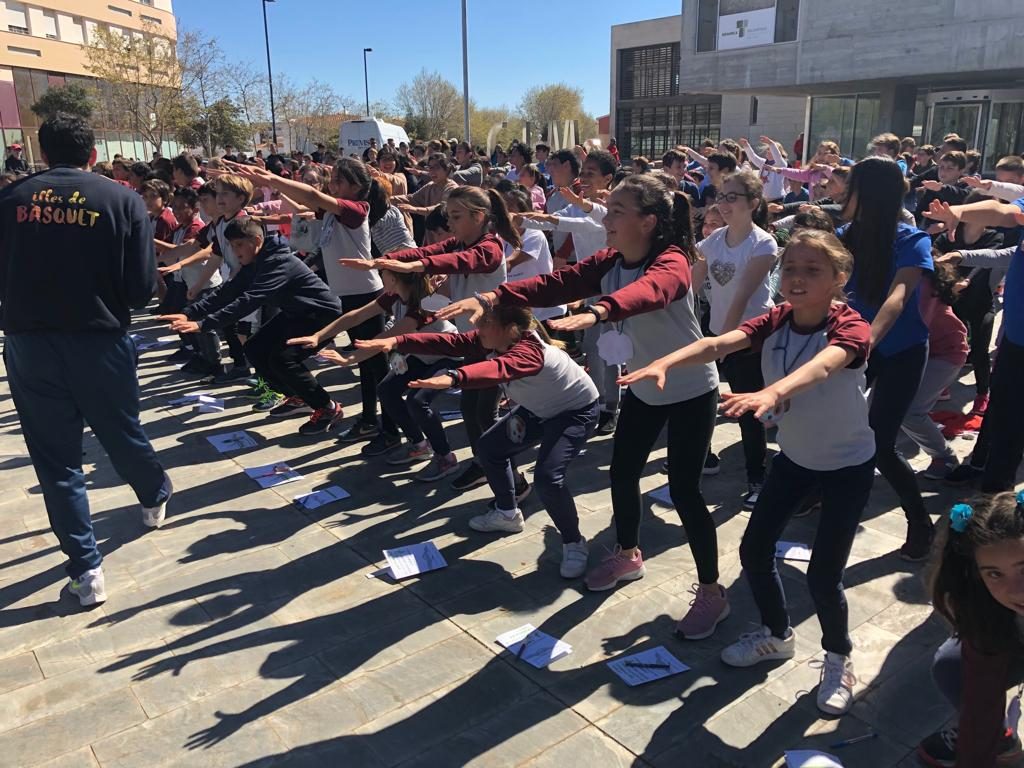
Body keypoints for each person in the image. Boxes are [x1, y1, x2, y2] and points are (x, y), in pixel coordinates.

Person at [439, 175, 726, 640]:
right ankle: (629, 554)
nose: (605, 218)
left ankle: (712, 592)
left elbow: (654, 290)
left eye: (616, 211)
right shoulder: (611, 260)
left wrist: (600, 311)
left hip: (691, 388)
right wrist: (499, 295)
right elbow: (559, 281)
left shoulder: (672, 260)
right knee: (621, 473)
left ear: (648, 222)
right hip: (643, 388)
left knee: (687, 492)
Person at [624, 229, 874, 715]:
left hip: (847, 466)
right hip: (796, 460)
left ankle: (838, 656)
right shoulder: (779, 316)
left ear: (839, 278)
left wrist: (772, 393)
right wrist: (666, 361)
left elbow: (825, 366)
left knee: (825, 576)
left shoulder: (851, 327)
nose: (797, 279)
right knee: (754, 551)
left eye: (812, 270)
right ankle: (777, 635)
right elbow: (722, 343)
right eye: (792, 269)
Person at [0, 113, 171, 607]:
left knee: (56, 462)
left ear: (41, 150)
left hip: (31, 344)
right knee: (122, 431)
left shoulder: (10, 199)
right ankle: (154, 491)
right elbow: (141, 291)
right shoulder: (121, 200)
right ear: (93, 155)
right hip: (101, 340)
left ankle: (86, 568)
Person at [357, 305, 600, 578]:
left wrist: (453, 377)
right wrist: (398, 340)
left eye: (486, 322)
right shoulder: (494, 340)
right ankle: (508, 514)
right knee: (488, 448)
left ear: (509, 329)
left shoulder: (528, 351)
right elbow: (450, 342)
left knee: (547, 477)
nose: (478, 327)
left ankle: (573, 542)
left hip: (574, 412)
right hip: (537, 409)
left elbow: (498, 368)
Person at [341, 186, 513, 493]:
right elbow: (426, 252)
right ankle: (486, 466)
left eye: (456, 216)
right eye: (449, 216)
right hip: (473, 341)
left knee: (482, 414)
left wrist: (413, 266)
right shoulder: (461, 240)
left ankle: (507, 479)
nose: (450, 224)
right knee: (473, 411)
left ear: (479, 216)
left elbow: (457, 261)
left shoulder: (490, 247)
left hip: (495, 344)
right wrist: (387, 261)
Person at [159, 218, 344, 436]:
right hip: (297, 312)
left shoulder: (278, 262)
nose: (234, 251)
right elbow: (228, 291)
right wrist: (188, 313)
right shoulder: (255, 261)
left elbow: (249, 300)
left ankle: (327, 408)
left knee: (283, 359)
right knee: (255, 347)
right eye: (230, 245)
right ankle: (298, 396)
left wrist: (203, 324)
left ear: (256, 240)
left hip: (322, 315)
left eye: (238, 244)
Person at [840, 157, 934, 561]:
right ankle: (821, 494)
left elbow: (897, 299)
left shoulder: (912, 239)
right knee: (839, 426)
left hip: (901, 351)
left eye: (852, 188)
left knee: (879, 440)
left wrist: (866, 342)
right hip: (858, 345)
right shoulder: (845, 235)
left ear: (870, 194)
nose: (844, 195)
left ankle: (920, 521)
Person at [289, 268, 460, 480]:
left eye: (383, 273)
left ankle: (445, 457)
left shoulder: (421, 307)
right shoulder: (394, 296)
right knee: (387, 390)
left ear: (395, 278)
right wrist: (318, 336)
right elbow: (356, 315)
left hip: (447, 356)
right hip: (422, 355)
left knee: (417, 400)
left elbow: (385, 339)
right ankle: (419, 445)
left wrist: (350, 359)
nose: (379, 278)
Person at [924, 196, 1024, 493]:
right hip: (1015, 339)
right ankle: (980, 463)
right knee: (999, 407)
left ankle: (994, 499)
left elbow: (1004, 215)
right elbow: (1005, 213)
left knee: (1013, 421)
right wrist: (958, 215)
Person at [918, 491, 1024, 768]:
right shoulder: (988, 610)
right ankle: (1001, 739)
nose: (1016, 592)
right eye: (994, 574)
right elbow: (981, 702)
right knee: (952, 665)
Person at [693, 171, 777, 507]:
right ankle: (704, 459)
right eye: (721, 196)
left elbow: (742, 295)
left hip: (749, 337)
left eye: (732, 197)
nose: (723, 204)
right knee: (699, 398)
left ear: (753, 203)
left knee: (747, 410)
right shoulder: (711, 242)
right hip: (719, 333)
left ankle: (757, 479)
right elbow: (690, 287)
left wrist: (724, 342)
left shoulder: (763, 243)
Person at [899, 263, 969, 481]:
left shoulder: (923, 282)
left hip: (946, 354)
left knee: (911, 411)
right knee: (873, 408)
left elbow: (915, 328)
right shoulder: (905, 276)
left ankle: (945, 457)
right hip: (922, 352)